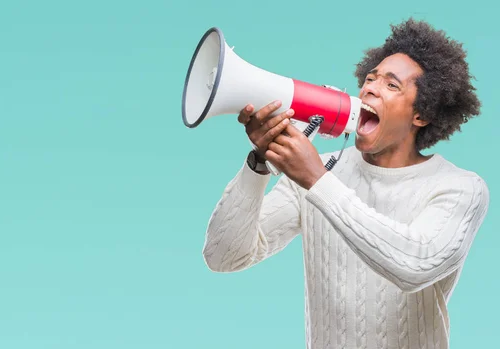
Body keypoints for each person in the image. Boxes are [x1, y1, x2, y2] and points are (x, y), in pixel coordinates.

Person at [201, 17, 489, 349]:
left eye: (391, 85)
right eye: (370, 78)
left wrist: (317, 179)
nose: (370, 88)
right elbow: (224, 256)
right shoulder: (315, 171)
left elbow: (415, 266)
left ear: (421, 114)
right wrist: (259, 164)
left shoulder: (460, 188)